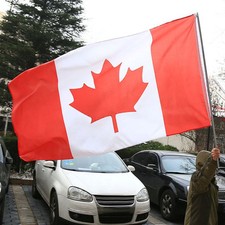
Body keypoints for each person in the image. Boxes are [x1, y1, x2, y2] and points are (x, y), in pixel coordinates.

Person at [184, 148, 220, 225]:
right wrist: (213, 161)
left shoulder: (211, 182)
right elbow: (204, 177)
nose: (215, 168)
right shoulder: (196, 178)